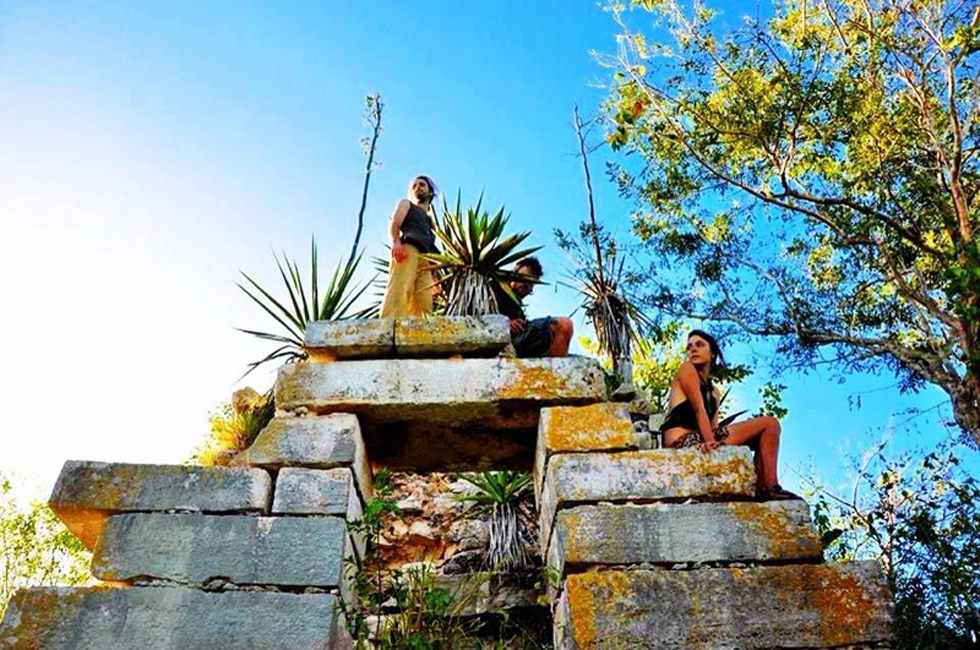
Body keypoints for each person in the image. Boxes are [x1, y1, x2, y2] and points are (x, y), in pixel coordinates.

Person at [660, 330, 800, 501]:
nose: (693, 350)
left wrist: (711, 440)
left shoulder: (714, 393)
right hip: (680, 442)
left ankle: (764, 486)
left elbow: (714, 427)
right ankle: (771, 488)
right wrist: (710, 441)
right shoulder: (687, 369)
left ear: (712, 353)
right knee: (769, 424)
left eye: (700, 345)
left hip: (700, 440)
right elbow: (699, 410)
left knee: (769, 427)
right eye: (689, 347)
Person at [380, 175, 439, 318]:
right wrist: (395, 242)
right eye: (414, 186)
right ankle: (389, 325)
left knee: (423, 302)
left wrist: (435, 278)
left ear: (430, 192)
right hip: (408, 249)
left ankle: (419, 334)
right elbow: (394, 223)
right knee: (399, 289)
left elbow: (431, 246)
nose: (418, 187)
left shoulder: (431, 223)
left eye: (422, 185)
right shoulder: (407, 204)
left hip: (426, 259)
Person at [495, 257, 574, 357]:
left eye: (531, 284)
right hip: (501, 338)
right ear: (516, 270)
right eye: (524, 279)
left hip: (517, 342)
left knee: (564, 327)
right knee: (563, 325)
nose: (527, 286)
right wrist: (503, 323)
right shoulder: (491, 288)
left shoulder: (517, 308)